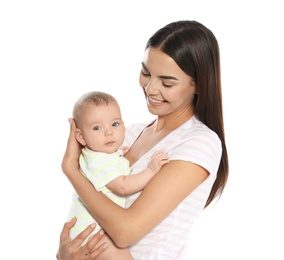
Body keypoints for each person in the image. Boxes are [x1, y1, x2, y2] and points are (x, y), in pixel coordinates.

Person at [57, 20, 229, 259]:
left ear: (198, 84)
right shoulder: (125, 134)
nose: (150, 88)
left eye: (167, 82)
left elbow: (125, 232)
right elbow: (91, 206)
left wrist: (71, 170)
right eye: (146, 73)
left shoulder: (198, 143)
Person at [66, 91, 169, 259]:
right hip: (91, 232)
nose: (108, 133)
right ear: (80, 136)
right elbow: (122, 186)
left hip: (90, 230)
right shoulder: (99, 161)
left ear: (123, 125)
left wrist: (118, 154)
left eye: (114, 124)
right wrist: (151, 170)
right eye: (97, 128)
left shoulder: (98, 155)